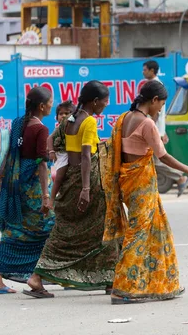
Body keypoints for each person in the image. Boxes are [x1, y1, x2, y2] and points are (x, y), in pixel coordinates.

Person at [101, 80, 188, 304]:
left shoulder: (124, 118)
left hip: (129, 183)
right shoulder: (146, 123)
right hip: (141, 185)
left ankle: (156, 283)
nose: (161, 108)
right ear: (154, 100)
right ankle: (121, 290)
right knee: (138, 235)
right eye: (161, 104)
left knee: (153, 231)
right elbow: (163, 156)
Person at [24, 80, 120, 298]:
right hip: (88, 180)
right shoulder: (89, 123)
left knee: (65, 232)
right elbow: (86, 156)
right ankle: (111, 280)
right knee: (106, 228)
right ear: (94, 102)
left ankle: (37, 277)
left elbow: (59, 146)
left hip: (70, 179)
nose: (105, 106)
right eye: (104, 102)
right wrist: (86, 189)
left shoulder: (69, 120)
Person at [0, 86, 55, 294]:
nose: (52, 104)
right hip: (32, 188)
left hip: (15, 185)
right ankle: (36, 276)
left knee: (14, 230)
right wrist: (45, 196)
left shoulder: (18, 123)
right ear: (42, 106)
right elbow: (42, 165)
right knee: (48, 227)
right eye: (51, 102)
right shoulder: (40, 129)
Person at [142, 60, 188, 196]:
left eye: (145, 69)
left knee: (156, 159)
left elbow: (158, 112)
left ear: (152, 71)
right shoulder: (152, 84)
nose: (143, 72)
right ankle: (179, 178)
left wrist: (159, 132)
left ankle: (180, 177)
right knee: (154, 159)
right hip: (154, 129)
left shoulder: (156, 86)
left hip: (153, 129)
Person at [44, 101, 75, 213]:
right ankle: (52, 199)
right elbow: (49, 139)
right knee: (59, 178)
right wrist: (52, 151)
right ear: (57, 117)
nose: (64, 116)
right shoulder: (58, 128)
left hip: (70, 155)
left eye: (67, 113)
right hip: (62, 155)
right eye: (61, 114)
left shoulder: (73, 127)